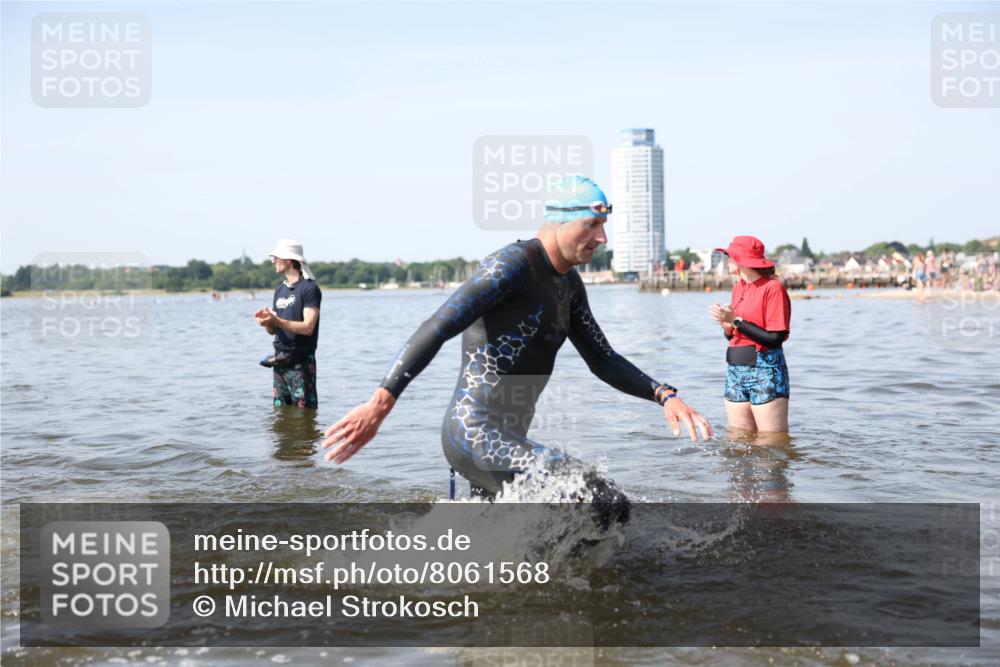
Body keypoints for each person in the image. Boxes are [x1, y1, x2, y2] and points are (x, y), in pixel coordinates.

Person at [323, 176, 712, 505]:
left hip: (509, 440)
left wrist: (665, 394)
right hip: (473, 433)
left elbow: (603, 358)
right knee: (601, 500)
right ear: (561, 220)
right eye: (593, 224)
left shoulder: (569, 287)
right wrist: (380, 403)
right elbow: (439, 324)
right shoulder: (511, 266)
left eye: (603, 225)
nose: (602, 237)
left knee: (525, 531)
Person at [709, 236, 791, 434]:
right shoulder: (738, 289)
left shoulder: (773, 288)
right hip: (735, 371)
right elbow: (736, 336)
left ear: (742, 261)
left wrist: (737, 320)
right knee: (738, 442)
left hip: (765, 371)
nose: (727, 261)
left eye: (730, 257)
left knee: (771, 445)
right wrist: (727, 325)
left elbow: (775, 338)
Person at [255, 239, 322, 409]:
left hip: (301, 363)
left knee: (304, 416)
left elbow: (308, 327)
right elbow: (274, 330)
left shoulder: (309, 289)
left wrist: (277, 320)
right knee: (280, 414)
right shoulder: (280, 290)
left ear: (289, 260)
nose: (273, 261)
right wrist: (267, 323)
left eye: (276, 257)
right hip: (280, 362)